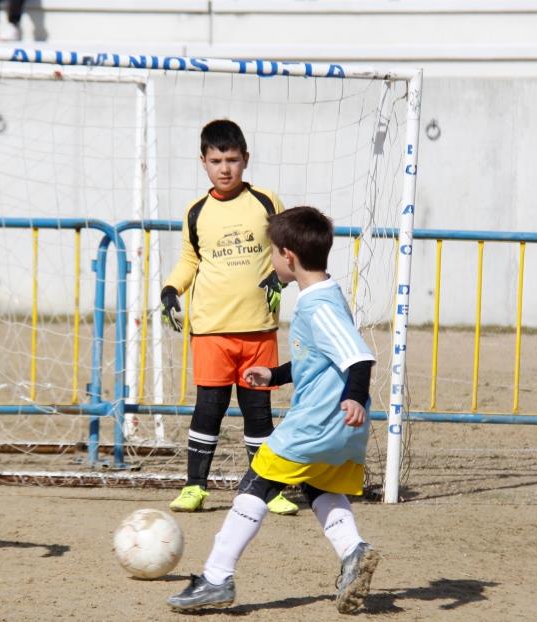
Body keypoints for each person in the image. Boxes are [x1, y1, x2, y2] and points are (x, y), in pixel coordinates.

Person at [167, 206, 379, 614]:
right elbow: (321, 358)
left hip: (318, 422)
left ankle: (215, 578)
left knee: (255, 487)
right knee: (319, 486)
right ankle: (354, 551)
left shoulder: (319, 306)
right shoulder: (327, 295)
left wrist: (353, 395)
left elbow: (358, 357)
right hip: (340, 430)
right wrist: (278, 375)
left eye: (271, 254)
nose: (270, 261)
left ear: (289, 257)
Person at [160, 119, 298, 516]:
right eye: (216, 160)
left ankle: (266, 490)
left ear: (245, 160)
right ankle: (194, 488)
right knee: (209, 408)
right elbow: (190, 260)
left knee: (259, 413)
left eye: (233, 160)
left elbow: (286, 248)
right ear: (203, 161)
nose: (225, 168)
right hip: (210, 331)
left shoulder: (266, 201)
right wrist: (172, 289)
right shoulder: (195, 211)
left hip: (258, 328)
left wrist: (280, 277)